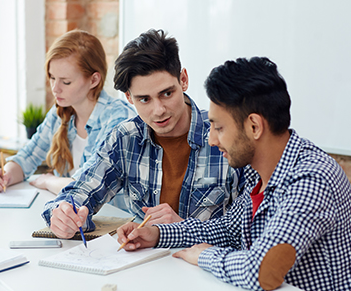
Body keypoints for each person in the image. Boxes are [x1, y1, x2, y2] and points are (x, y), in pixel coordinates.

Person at [116, 57, 351, 291]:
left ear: (254, 127)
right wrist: (156, 234)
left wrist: (205, 255)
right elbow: (229, 229)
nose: (211, 139)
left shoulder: (311, 179)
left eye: (219, 128)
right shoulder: (258, 172)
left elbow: (262, 272)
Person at [42, 29, 243, 239]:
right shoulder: (125, 138)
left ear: (183, 80)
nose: (158, 110)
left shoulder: (225, 138)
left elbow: (249, 232)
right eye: (144, 99)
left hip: (204, 265)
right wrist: (63, 214)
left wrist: (183, 229)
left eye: (167, 93)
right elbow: (77, 192)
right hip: (140, 265)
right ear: (129, 97)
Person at [0, 29, 136, 194]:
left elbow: (86, 186)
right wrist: (5, 174)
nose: (55, 89)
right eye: (52, 78)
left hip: (113, 217)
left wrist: (49, 180)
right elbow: (27, 157)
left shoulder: (119, 119)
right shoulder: (60, 112)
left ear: (94, 80)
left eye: (66, 82)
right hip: (69, 214)